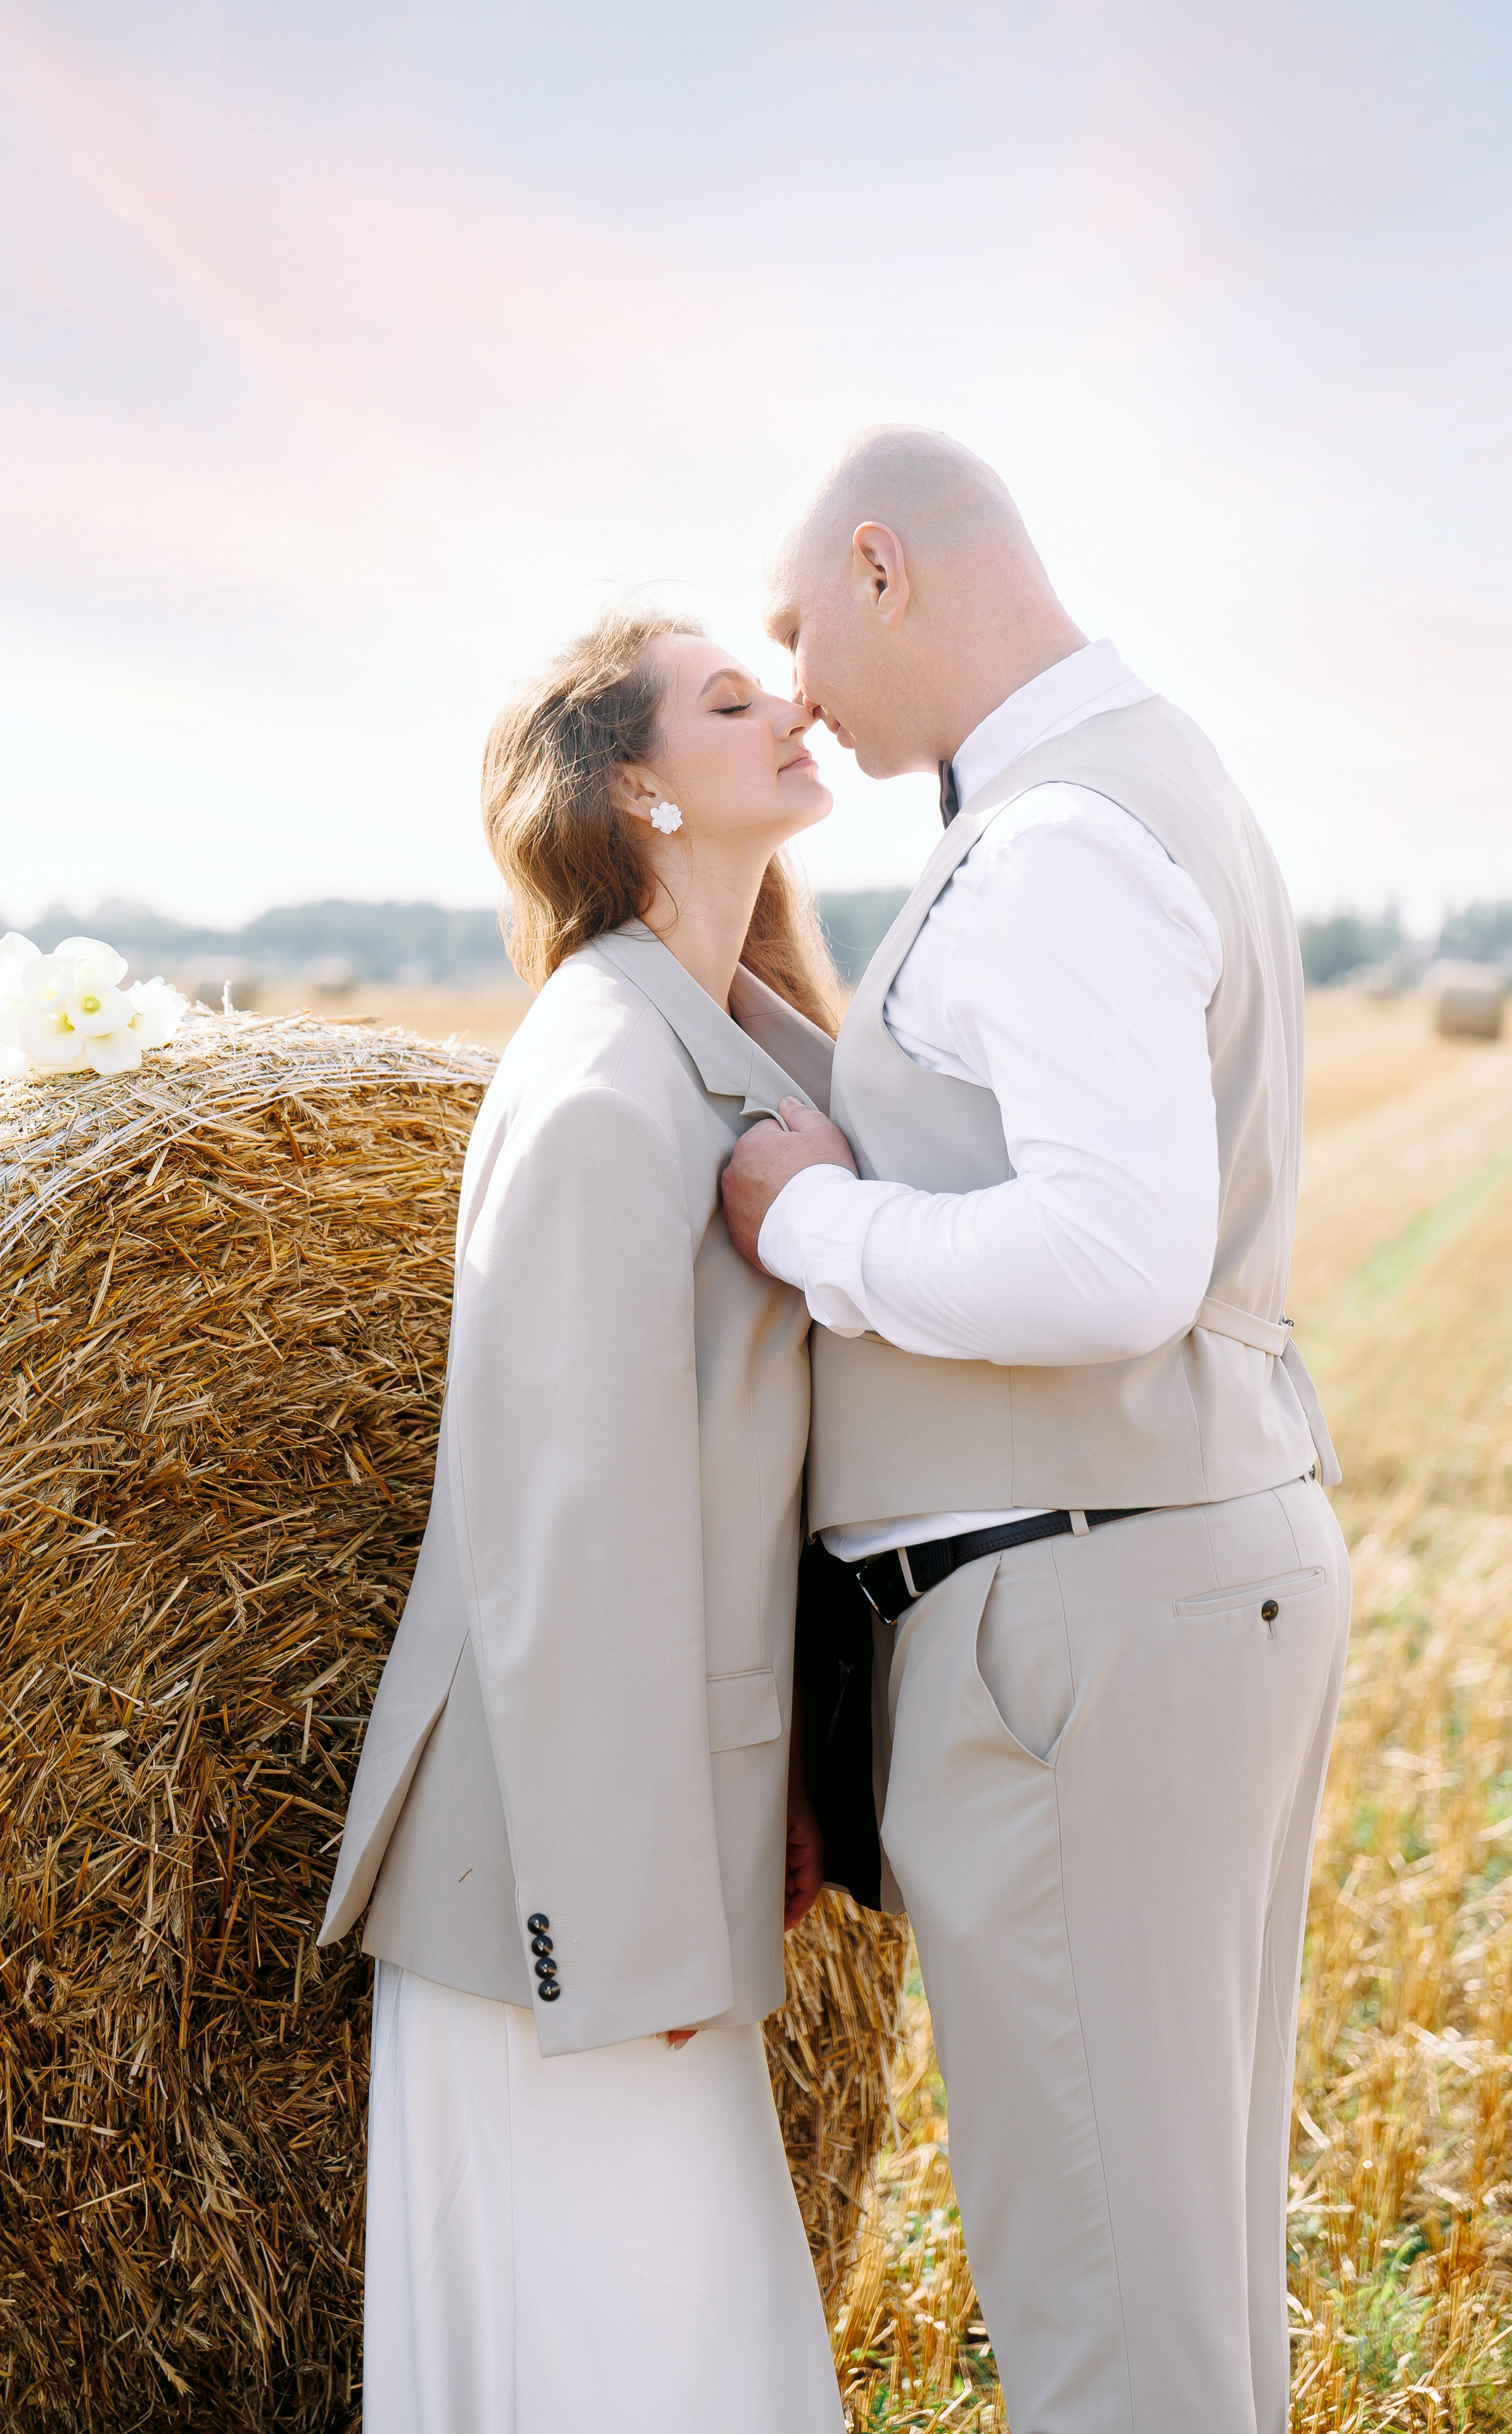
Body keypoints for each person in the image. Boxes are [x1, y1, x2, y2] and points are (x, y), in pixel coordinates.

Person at [722, 426, 1352, 2434]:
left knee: (1110, 2329)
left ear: (885, 566)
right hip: (1168, 1578)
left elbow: (1108, 1258)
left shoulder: (1058, 838)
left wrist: (807, 1222)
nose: (797, 687)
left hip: (1086, 1625)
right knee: (1176, 2294)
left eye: (798, 628)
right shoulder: (1135, 780)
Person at [318, 607, 846, 2434]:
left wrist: (771, 1781)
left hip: (642, 1848)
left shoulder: (718, 1047)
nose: (791, 706)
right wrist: (632, 1916)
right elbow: (570, 1537)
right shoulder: (611, 1078)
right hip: (565, 1888)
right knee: (641, 2359)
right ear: (635, 789)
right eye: (731, 699)